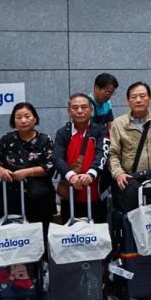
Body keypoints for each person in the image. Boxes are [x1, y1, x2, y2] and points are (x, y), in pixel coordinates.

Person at [0, 102, 56, 226]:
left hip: (39, 197)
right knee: (13, 240)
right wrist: (1, 171)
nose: (23, 120)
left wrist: (27, 172)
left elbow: (50, 166)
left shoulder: (45, 140)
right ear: (13, 121)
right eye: (18, 117)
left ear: (35, 118)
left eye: (27, 116)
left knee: (41, 238)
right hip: (11, 197)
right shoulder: (7, 140)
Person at [108, 82, 151, 197]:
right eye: (134, 97)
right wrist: (119, 174)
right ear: (128, 100)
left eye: (142, 96)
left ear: (150, 99)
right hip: (132, 183)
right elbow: (113, 154)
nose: (138, 100)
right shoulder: (118, 124)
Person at [54, 93, 110, 223]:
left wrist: (91, 174)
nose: (79, 111)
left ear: (91, 110)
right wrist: (71, 176)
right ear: (69, 111)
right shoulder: (63, 133)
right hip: (70, 192)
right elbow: (57, 158)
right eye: (75, 107)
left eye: (84, 107)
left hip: (96, 192)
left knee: (98, 234)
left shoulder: (101, 130)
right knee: (71, 235)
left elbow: (103, 154)